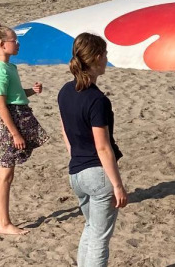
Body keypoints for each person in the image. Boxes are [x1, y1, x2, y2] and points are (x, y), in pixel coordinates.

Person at [58, 33, 128, 266]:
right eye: (106, 54)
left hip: (76, 172)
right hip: (97, 174)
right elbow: (103, 146)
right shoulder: (97, 101)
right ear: (97, 58)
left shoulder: (65, 92)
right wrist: (117, 185)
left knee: (90, 229)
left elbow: (65, 132)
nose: (107, 58)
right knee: (100, 239)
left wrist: (75, 155)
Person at [0, 21, 49, 235]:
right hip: (10, 123)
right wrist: (15, 133)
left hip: (16, 116)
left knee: (3, 174)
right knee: (6, 175)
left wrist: (30, 91)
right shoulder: (0, 72)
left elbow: (15, 95)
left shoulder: (9, 67)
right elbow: (2, 106)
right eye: (14, 41)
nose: (18, 43)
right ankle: (4, 223)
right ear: (3, 45)